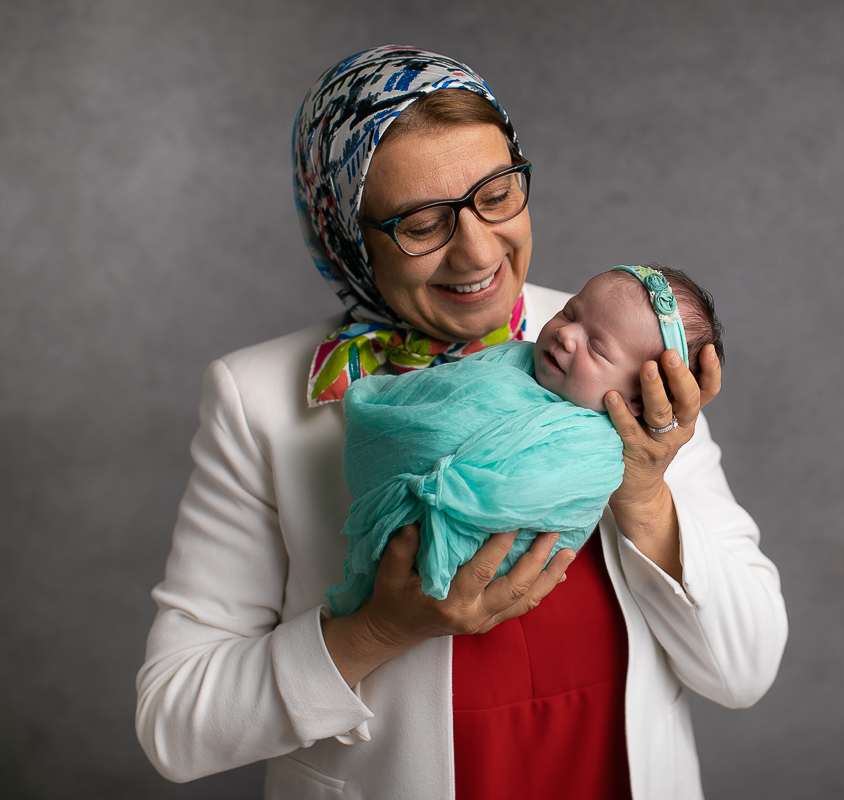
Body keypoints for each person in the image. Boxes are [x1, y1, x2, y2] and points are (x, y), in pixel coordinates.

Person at [135, 45, 788, 800]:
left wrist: (644, 493)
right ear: (346, 233)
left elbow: (744, 670)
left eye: (496, 194)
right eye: (420, 222)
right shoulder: (256, 400)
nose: (477, 252)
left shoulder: (631, 360)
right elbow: (174, 724)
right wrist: (375, 630)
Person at [328, 264, 723, 610]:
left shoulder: (600, 449)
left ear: (640, 398)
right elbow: (443, 393)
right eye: (570, 312)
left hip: (451, 529)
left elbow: (508, 495)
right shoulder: (517, 354)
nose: (567, 334)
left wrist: (444, 491)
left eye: (597, 349)